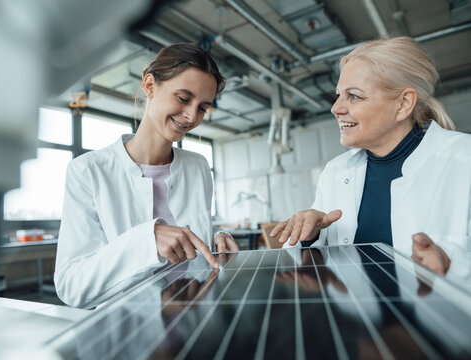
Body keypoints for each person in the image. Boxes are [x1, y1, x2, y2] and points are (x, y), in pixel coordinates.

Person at [55, 43, 238, 309]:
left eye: (202, 108)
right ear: (150, 86)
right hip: (130, 330)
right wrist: (146, 241)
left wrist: (216, 239)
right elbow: (72, 287)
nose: (191, 116)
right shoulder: (88, 171)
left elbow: (189, 241)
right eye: (184, 98)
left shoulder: (198, 166)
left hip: (197, 318)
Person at [271, 37, 471, 278]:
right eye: (338, 95)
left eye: (354, 96)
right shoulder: (336, 172)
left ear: (403, 104)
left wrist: (451, 260)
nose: (336, 108)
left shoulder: (463, 159)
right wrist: (311, 235)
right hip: (354, 315)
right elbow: (310, 263)